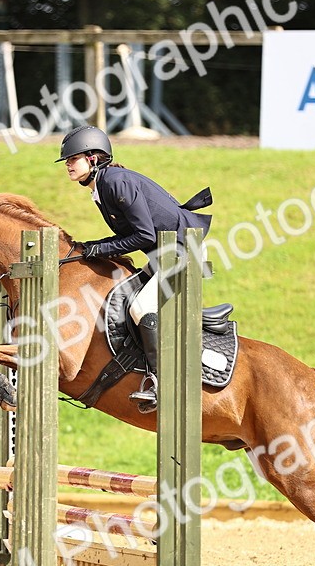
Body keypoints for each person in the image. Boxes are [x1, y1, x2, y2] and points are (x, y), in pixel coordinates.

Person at [57, 125, 212, 412]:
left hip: (180, 251)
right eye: (67, 160)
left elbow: (145, 236)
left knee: (140, 307)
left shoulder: (115, 182)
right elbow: (128, 237)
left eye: (72, 158)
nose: (67, 165)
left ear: (93, 158)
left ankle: (159, 382)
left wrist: (99, 249)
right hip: (163, 254)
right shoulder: (103, 186)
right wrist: (89, 246)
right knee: (125, 299)